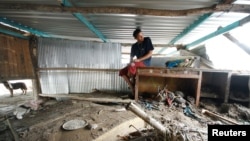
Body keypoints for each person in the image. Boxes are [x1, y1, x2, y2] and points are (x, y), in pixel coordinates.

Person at [119, 28, 154, 98]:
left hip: (145, 63)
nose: (142, 37)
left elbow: (150, 54)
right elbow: (131, 58)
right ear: (136, 38)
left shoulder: (147, 40)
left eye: (142, 35)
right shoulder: (134, 46)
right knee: (122, 71)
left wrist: (139, 59)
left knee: (132, 66)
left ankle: (135, 87)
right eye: (139, 36)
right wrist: (130, 63)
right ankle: (132, 87)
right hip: (136, 64)